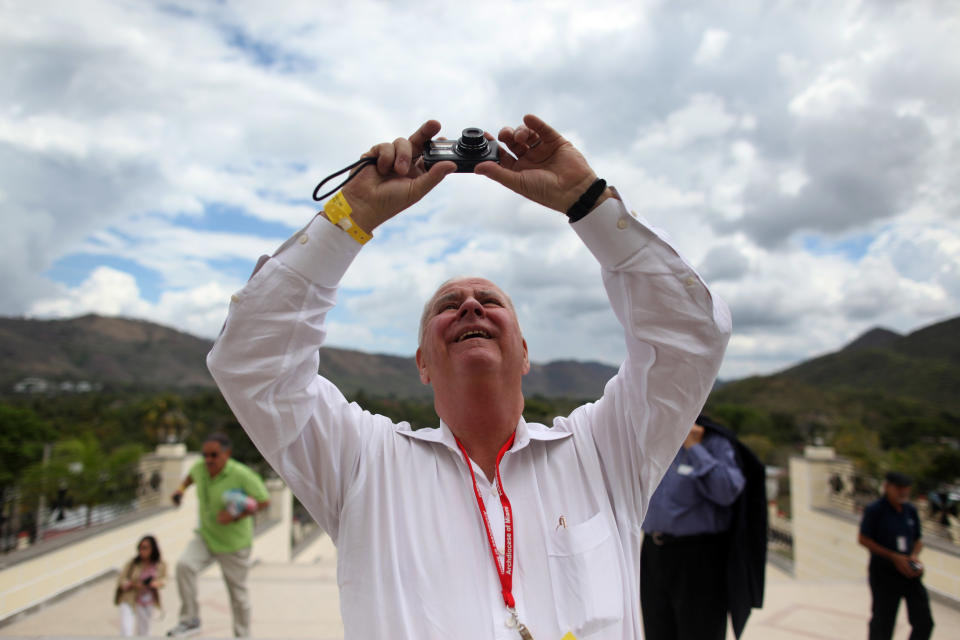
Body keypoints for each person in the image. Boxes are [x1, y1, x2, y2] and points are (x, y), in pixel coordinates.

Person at [207, 114, 732, 639]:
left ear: (524, 353)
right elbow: (255, 364)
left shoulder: (603, 452)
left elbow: (690, 335)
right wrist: (353, 215)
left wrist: (588, 201)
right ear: (422, 363)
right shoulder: (362, 464)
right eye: (449, 304)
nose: (471, 308)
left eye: (491, 301)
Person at [640, 414, 766, 640]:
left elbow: (727, 491)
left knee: (700, 630)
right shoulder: (654, 441)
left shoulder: (714, 442)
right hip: (653, 553)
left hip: (698, 557)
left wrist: (695, 448)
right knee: (657, 629)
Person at [166, 432, 270, 637]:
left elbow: (264, 501)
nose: (209, 460)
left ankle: (242, 635)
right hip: (206, 536)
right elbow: (189, 478)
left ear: (227, 454)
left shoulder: (242, 474)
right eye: (205, 455)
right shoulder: (200, 469)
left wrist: (234, 516)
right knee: (184, 566)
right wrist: (179, 491)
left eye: (214, 455)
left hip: (234, 544)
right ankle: (190, 620)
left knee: (238, 595)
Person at [858, 471, 934, 640]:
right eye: (898, 488)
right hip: (884, 572)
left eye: (906, 488)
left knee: (924, 621)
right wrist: (893, 556)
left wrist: (914, 555)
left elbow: (918, 539)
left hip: (908, 570)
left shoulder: (910, 510)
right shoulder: (875, 510)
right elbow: (863, 539)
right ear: (887, 487)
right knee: (883, 623)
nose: (903, 492)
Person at [115, 534, 166, 636]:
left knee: (145, 631)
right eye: (140, 548)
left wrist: (155, 584)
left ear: (152, 549)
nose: (142, 551)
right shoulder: (133, 563)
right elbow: (121, 580)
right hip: (130, 598)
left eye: (145, 548)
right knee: (126, 629)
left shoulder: (159, 564)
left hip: (147, 600)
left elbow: (164, 580)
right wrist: (133, 584)